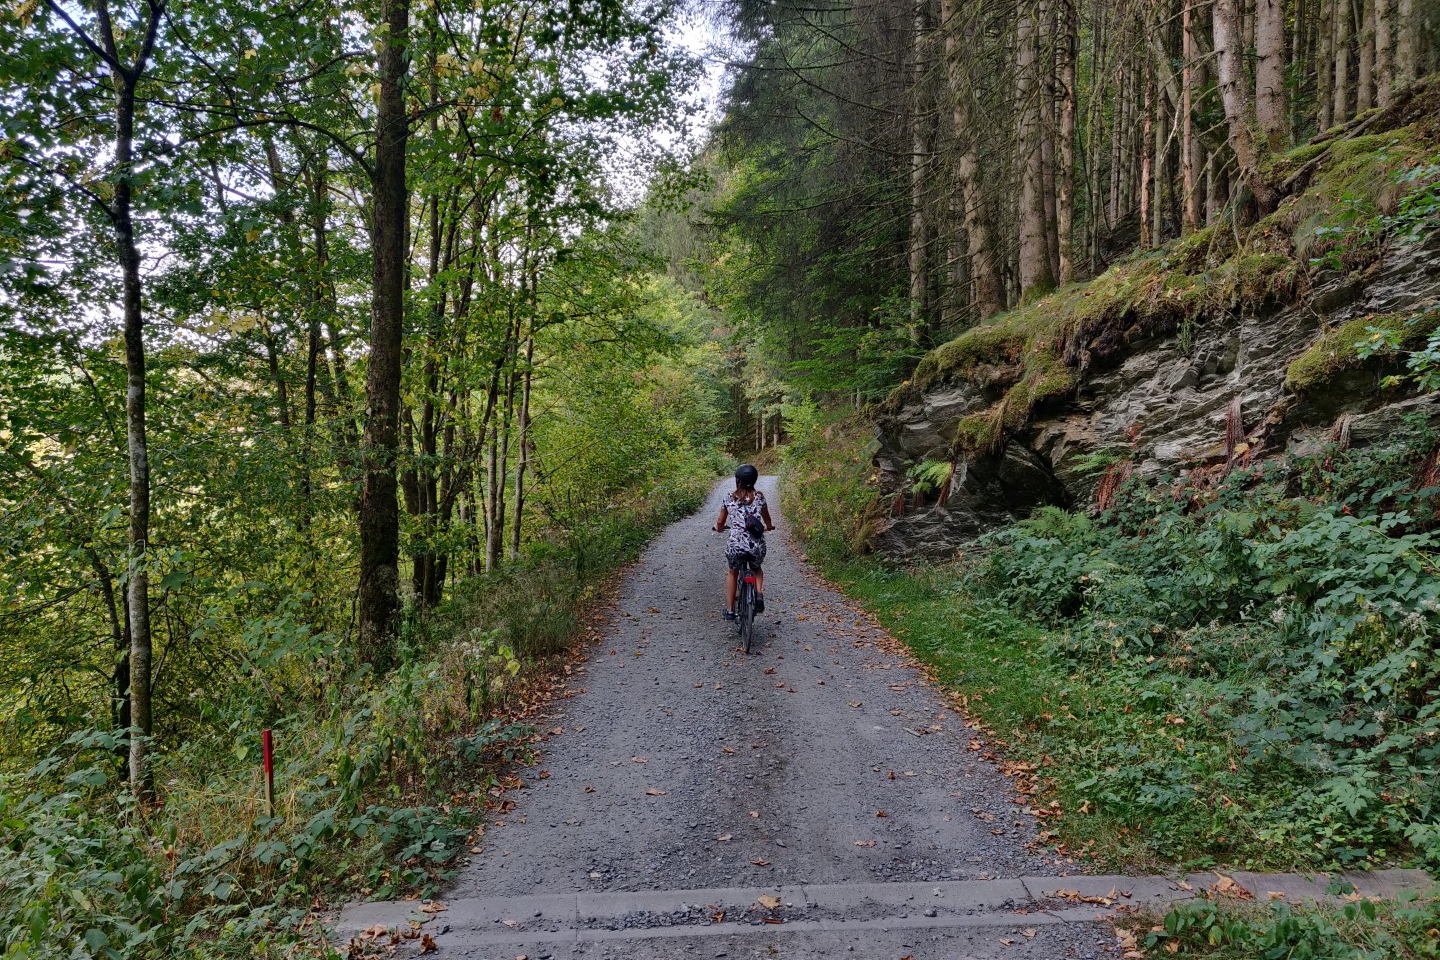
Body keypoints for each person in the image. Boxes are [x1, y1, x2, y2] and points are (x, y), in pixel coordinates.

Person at [713, 464, 774, 620]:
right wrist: (770, 526)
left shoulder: (729, 497)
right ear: (754, 479)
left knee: (733, 572)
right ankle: (759, 594)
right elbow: (767, 519)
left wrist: (718, 528)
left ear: (737, 480)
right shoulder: (760, 497)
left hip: (736, 545)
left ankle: (730, 610)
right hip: (756, 545)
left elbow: (720, 522)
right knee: (757, 568)